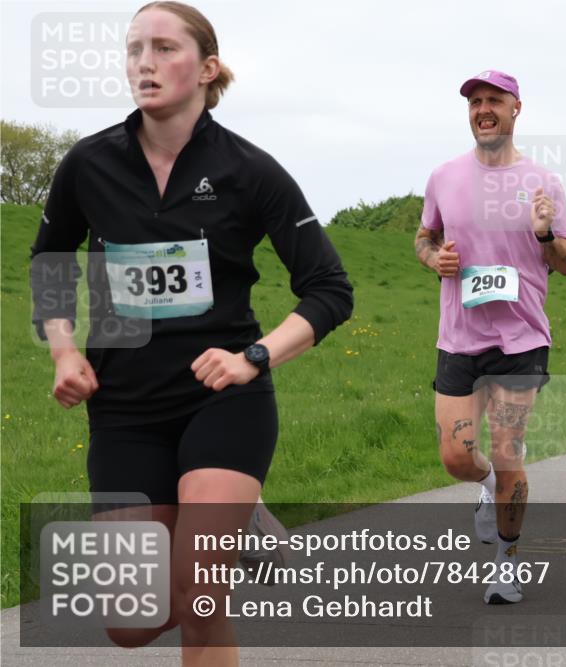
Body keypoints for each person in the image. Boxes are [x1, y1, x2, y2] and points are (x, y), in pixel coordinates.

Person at [29, 2, 352, 663]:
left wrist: (253, 358)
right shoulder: (89, 165)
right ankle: (246, 526)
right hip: (123, 407)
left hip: (223, 399)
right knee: (130, 620)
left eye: (165, 49)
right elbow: (51, 262)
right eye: (134, 49)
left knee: (199, 595)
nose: (144, 63)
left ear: (207, 69)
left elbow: (329, 288)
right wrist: (63, 348)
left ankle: (238, 509)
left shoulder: (249, 170)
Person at [414, 70, 566, 604]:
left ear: (516, 110)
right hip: (458, 337)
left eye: (494, 101)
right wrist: (432, 257)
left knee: (509, 451)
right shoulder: (443, 176)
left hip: (520, 338)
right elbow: (425, 236)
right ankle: (486, 487)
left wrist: (546, 234)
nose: (483, 109)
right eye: (475, 102)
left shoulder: (544, 183)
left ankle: (506, 566)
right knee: (456, 457)